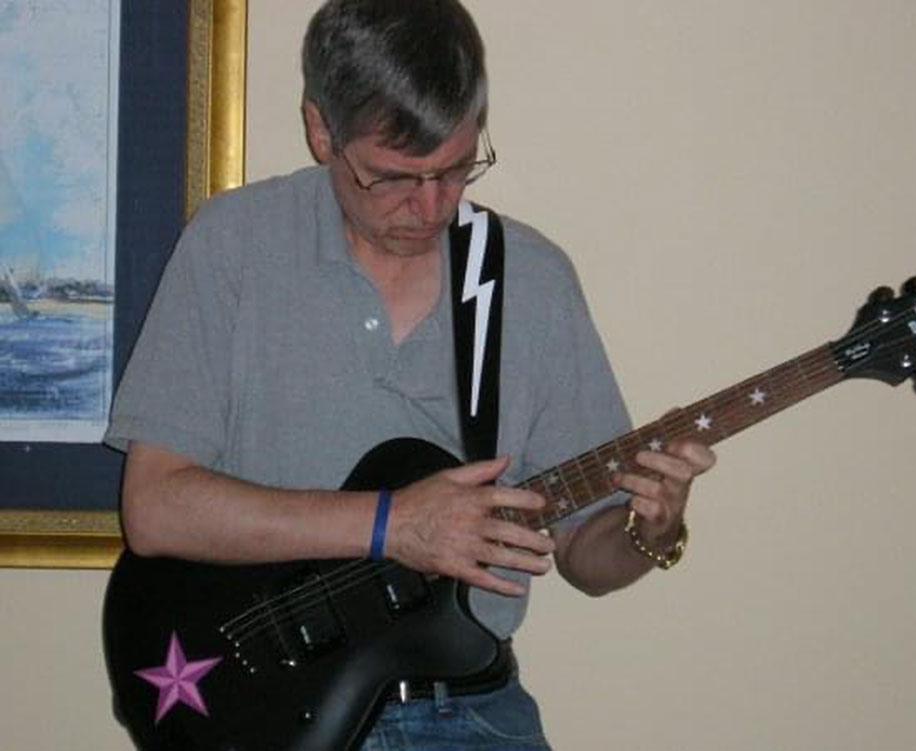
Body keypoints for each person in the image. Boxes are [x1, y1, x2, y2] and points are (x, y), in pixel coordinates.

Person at [105, 1, 716, 749]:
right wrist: (397, 526)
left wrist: (650, 529)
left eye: (456, 169)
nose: (430, 207)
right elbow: (156, 507)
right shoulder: (232, 247)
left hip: (468, 713)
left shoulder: (531, 279)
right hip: (261, 713)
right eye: (395, 177)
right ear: (320, 129)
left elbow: (588, 557)